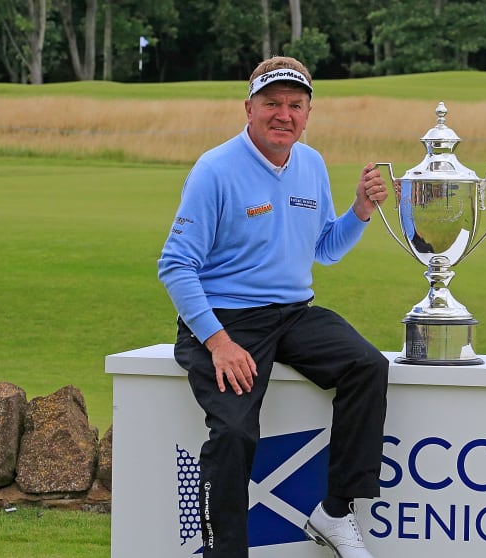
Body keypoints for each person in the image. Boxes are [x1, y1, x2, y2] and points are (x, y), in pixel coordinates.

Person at [157, 55, 389, 558]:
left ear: (308, 113)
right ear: (248, 108)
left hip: (295, 312)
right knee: (236, 431)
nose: (283, 114)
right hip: (225, 319)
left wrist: (360, 212)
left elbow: (325, 248)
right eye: (271, 104)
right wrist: (217, 342)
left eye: (295, 105)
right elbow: (175, 266)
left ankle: (335, 512)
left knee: (367, 366)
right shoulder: (215, 169)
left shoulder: (311, 163)